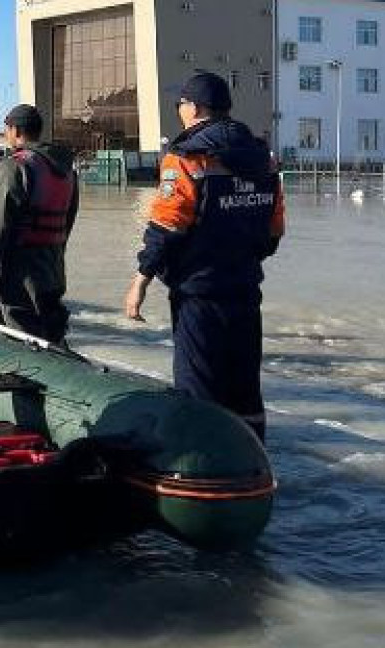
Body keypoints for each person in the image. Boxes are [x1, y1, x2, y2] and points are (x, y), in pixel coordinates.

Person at [123, 72, 284, 441]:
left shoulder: (185, 158)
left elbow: (166, 226)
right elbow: (274, 231)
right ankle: (253, 468)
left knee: (198, 389)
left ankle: (202, 471)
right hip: (245, 290)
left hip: (199, 294)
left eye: (179, 103)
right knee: (245, 388)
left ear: (194, 107)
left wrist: (140, 281)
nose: (178, 110)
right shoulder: (263, 156)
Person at [0, 104, 79, 345]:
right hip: (53, 268)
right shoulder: (67, 171)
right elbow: (68, 221)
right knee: (51, 334)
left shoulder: (15, 167)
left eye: (6, 130)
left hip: (19, 273)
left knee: (20, 339)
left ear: (15, 130)